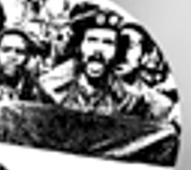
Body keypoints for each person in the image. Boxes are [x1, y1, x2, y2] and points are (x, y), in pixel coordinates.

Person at [39, 8, 176, 120]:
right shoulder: (49, 88)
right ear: (79, 46)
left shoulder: (128, 100)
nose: (99, 49)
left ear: (117, 51)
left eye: (108, 42)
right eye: (92, 40)